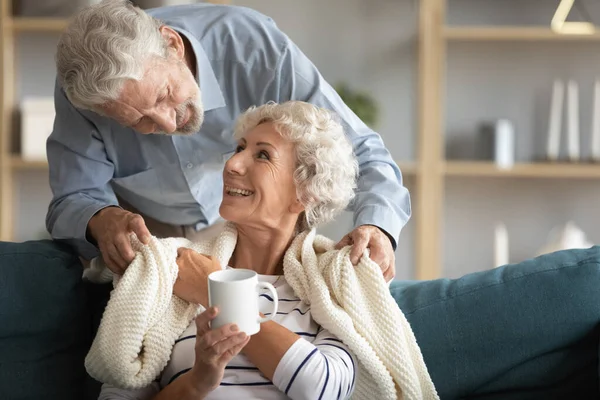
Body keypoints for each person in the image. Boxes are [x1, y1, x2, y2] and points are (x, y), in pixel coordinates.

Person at [46, 0, 409, 281]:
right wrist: (101, 218)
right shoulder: (84, 95)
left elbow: (360, 151)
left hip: (249, 217)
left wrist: (376, 226)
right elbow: (73, 197)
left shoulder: (254, 47)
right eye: (137, 121)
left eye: (162, 97)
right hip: (147, 227)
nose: (166, 123)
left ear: (171, 44)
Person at [93, 100, 383, 399]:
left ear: (304, 193)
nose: (232, 165)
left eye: (262, 155)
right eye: (239, 149)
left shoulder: (333, 283)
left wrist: (215, 292)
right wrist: (197, 383)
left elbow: (325, 389)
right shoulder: (171, 269)